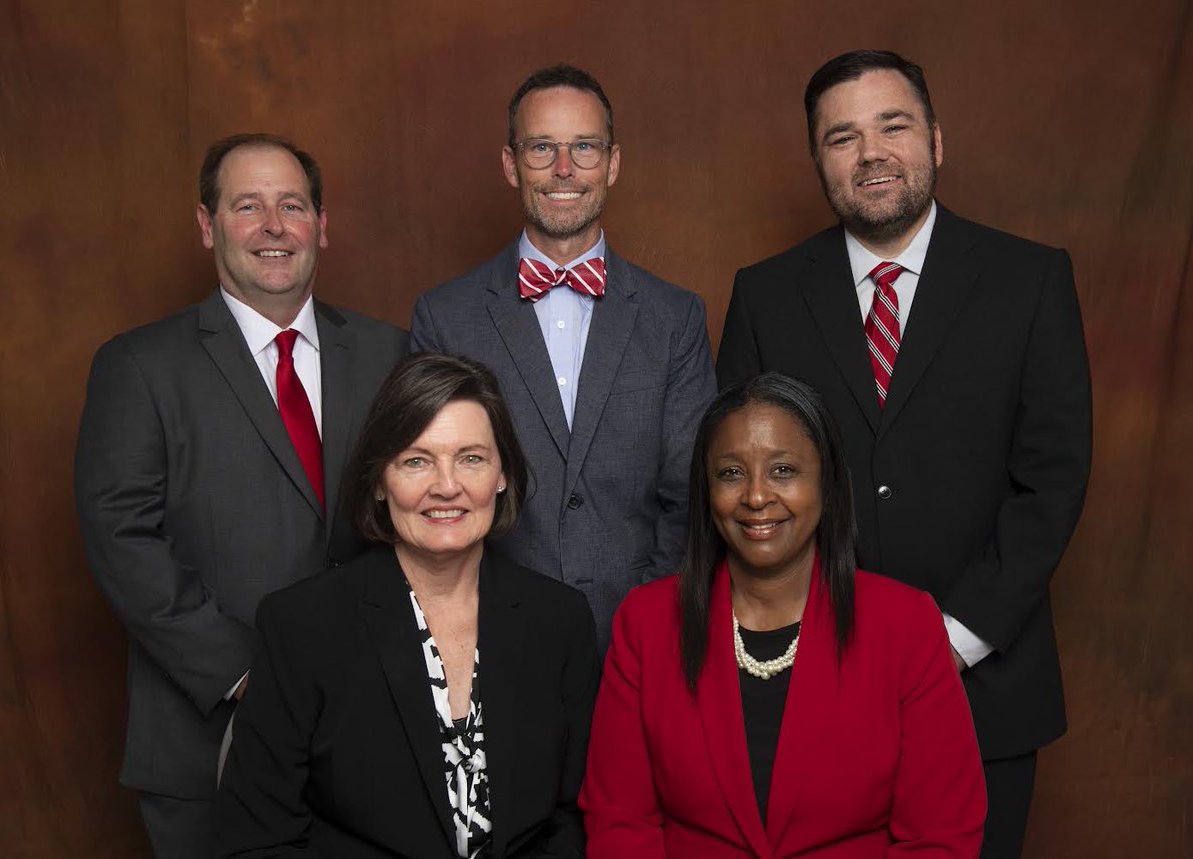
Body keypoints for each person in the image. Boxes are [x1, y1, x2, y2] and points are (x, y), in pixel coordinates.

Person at [716, 50, 1092, 858]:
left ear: (937, 140)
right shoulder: (766, 294)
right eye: (842, 137)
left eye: (894, 126)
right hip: (808, 686)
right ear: (819, 160)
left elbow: (1051, 481)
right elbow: (743, 493)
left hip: (986, 689)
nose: (871, 153)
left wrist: (948, 641)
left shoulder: (1030, 281)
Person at [74, 133, 409, 858]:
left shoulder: (390, 354)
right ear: (207, 224)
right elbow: (120, 535)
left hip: (371, 729)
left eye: (292, 205)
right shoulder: (138, 365)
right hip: (206, 740)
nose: (273, 226)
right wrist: (249, 670)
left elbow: (416, 519)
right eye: (247, 206)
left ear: (322, 223)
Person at [580, 373, 985, 857]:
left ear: (828, 482)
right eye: (731, 473)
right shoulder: (645, 624)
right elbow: (620, 823)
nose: (755, 496)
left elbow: (940, 837)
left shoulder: (905, 626)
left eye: (783, 471)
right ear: (705, 491)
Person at [215, 352, 600, 857]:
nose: (446, 485)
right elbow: (256, 841)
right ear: (379, 481)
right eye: (416, 460)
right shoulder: (302, 626)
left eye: (471, 458)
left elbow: (574, 820)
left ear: (502, 475)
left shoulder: (561, 619)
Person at [411, 64, 716, 651]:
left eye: (584, 147)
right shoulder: (445, 318)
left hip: (642, 638)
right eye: (541, 148)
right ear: (509, 164)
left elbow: (692, 495)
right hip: (487, 640)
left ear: (614, 162)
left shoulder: (674, 317)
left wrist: (647, 626)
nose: (564, 169)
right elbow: (432, 494)